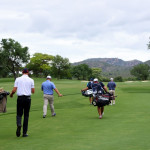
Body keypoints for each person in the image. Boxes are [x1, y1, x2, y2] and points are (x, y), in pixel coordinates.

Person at [10, 68, 35, 137]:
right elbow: (33, 91)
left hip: (20, 98)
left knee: (19, 114)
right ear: (28, 73)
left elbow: (14, 90)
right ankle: (24, 133)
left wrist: (11, 94)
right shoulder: (31, 80)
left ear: (22, 72)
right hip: (27, 98)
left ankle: (18, 124)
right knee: (26, 115)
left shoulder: (18, 79)